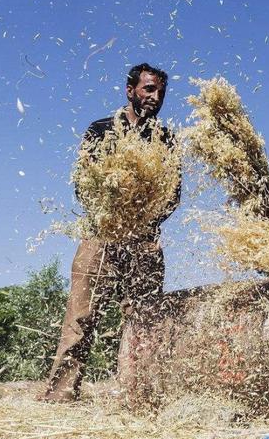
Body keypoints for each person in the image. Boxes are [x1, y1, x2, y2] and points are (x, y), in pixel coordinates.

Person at [39, 63, 179, 402]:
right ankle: (60, 396)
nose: (155, 97)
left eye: (160, 92)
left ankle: (137, 397)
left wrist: (145, 220)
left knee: (143, 320)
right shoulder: (100, 129)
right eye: (148, 89)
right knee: (80, 317)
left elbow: (172, 194)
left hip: (143, 240)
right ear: (130, 90)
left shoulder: (166, 138)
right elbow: (83, 186)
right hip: (100, 236)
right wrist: (111, 209)